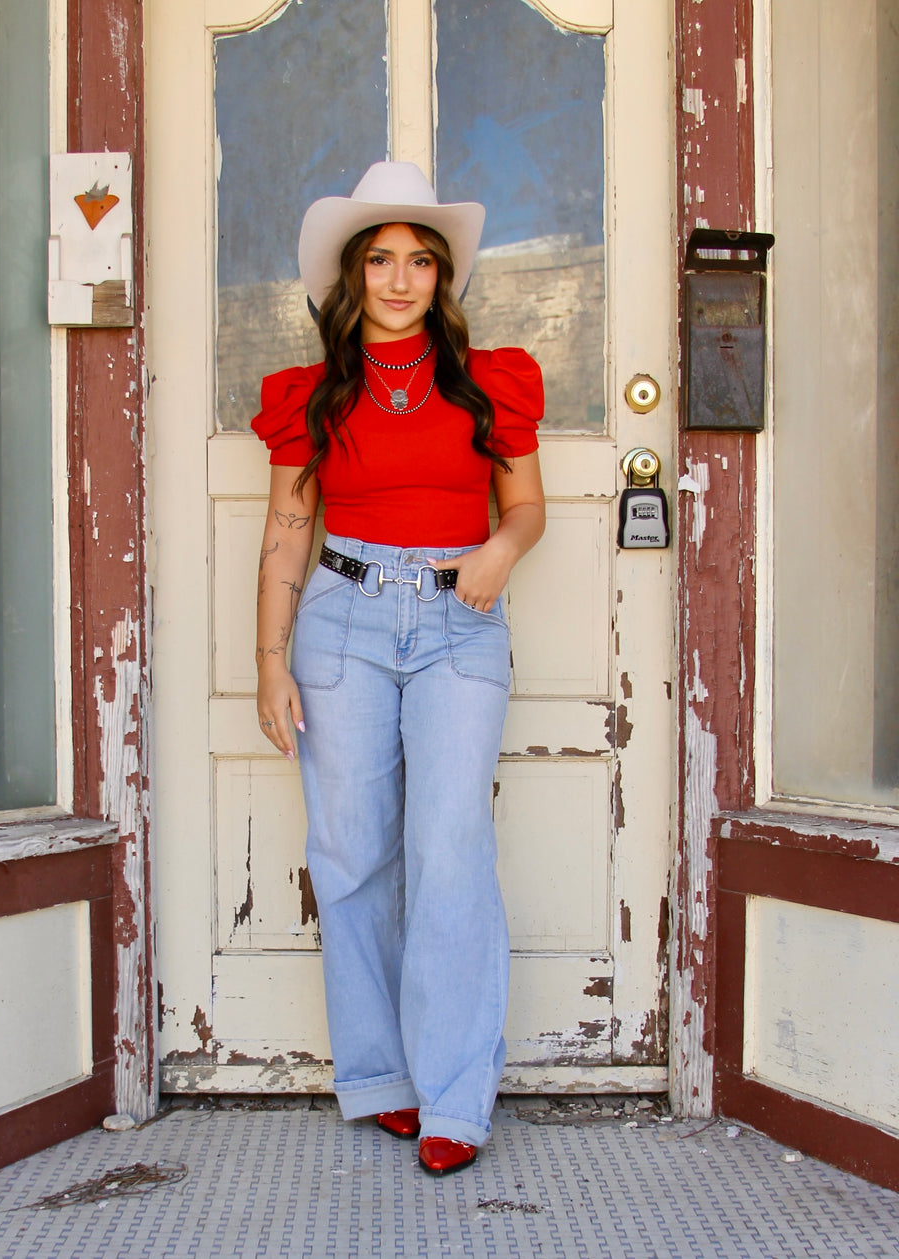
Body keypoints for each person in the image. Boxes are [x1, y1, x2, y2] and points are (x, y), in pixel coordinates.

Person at [251, 161, 545, 1177]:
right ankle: (382, 1076)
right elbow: (289, 528)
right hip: (342, 621)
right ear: (351, 275)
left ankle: (456, 1093)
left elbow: (526, 507)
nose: (399, 278)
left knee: (452, 848)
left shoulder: (489, 380)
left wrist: (499, 555)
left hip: (460, 621)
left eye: (419, 260)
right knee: (351, 851)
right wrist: (267, 662)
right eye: (380, 259)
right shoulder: (311, 394)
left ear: (441, 276)